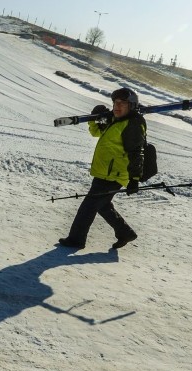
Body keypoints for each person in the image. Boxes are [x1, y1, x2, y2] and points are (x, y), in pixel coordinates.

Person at [58, 87, 146, 250]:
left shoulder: (133, 124)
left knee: (88, 206)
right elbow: (97, 132)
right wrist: (96, 117)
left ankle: (76, 240)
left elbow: (136, 153)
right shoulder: (113, 119)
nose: (117, 106)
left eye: (123, 103)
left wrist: (134, 179)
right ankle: (125, 232)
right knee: (102, 205)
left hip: (114, 174)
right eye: (115, 102)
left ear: (132, 105)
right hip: (104, 172)